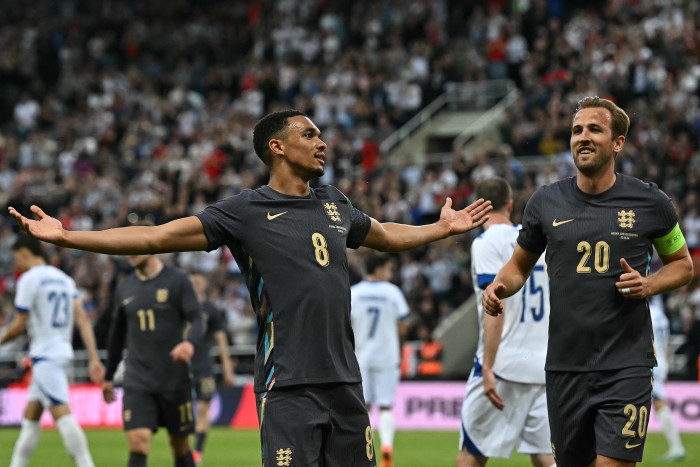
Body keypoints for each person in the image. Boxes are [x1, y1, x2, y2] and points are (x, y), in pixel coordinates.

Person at [9, 109, 492, 467]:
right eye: (309, 135)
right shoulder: (244, 212)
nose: (322, 143)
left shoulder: (334, 203)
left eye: (320, 135)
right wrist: (69, 236)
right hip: (288, 385)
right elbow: (155, 236)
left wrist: (440, 229)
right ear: (276, 147)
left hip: (346, 381)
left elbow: (386, 236)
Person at [482, 96, 694, 467]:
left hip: (626, 364)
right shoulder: (545, 203)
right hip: (565, 367)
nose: (583, 136)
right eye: (577, 130)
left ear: (618, 142)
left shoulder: (650, 202)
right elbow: (517, 267)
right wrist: (499, 286)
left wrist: (649, 284)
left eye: (595, 129)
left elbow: (683, 265)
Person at [458, 177, 554, 467]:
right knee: (546, 456)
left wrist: (488, 366)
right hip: (543, 365)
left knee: (471, 455)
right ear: (510, 205)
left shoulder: (486, 243)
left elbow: (495, 304)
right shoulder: (536, 242)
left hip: (504, 364)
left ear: (478, 208)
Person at [1, 234, 105, 467]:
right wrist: (93, 358)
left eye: (17, 259)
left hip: (45, 356)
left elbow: (19, 324)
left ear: (25, 254)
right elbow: (83, 320)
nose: (17, 265)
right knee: (31, 417)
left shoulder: (29, 279)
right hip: (59, 352)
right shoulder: (64, 279)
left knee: (63, 415)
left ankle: (86, 464)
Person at [102, 250, 204, 467]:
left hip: (174, 379)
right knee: (138, 443)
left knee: (179, 446)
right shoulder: (124, 287)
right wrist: (108, 375)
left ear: (151, 246)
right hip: (138, 379)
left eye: (136, 245)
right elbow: (116, 336)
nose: (130, 252)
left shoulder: (177, 280)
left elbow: (197, 318)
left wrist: (189, 343)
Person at [350, 253, 409, 467]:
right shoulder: (393, 292)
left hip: (361, 357)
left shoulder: (354, 293)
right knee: (385, 406)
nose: (390, 273)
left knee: (362, 407)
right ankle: (387, 450)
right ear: (378, 269)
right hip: (388, 356)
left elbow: (347, 324)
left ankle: (364, 450)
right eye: (388, 269)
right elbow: (403, 326)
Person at [188, 271, 235, 466]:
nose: (195, 284)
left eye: (198, 281)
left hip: (203, 366)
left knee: (202, 408)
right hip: (180, 366)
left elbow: (221, 339)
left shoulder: (211, 310)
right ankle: (183, 450)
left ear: (205, 284)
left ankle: (197, 452)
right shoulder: (181, 306)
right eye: (192, 281)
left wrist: (227, 368)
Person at [648, 295, 686, 462]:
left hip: (650, 361)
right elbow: (667, 342)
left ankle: (677, 448)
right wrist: (666, 366)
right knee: (657, 402)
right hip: (661, 361)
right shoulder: (660, 314)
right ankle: (677, 447)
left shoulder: (644, 312)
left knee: (659, 402)